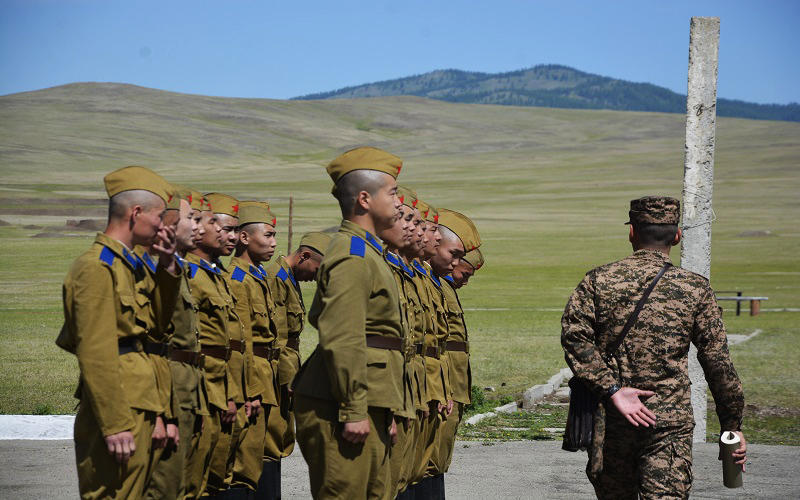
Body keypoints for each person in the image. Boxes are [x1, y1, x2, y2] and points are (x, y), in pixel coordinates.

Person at [561, 196, 746, 499]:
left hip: (612, 420)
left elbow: (575, 338)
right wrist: (732, 425)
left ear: (632, 232)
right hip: (668, 424)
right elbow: (717, 361)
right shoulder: (695, 288)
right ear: (677, 236)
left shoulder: (598, 281)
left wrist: (613, 390)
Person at [57, 166, 180, 499]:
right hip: (119, 405)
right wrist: (113, 422)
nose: (162, 226)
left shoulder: (131, 266)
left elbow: (157, 326)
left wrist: (167, 267)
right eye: (158, 217)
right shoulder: (96, 267)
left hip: (140, 397)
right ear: (136, 213)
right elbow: (95, 351)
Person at [292, 146, 404, 499]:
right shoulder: (351, 255)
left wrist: (389, 406)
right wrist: (354, 408)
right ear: (366, 199)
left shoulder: (368, 253)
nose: (399, 203)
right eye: (393, 192)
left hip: (370, 397)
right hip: (342, 403)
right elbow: (343, 335)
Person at [260, 230, 331, 499]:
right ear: (304, 256)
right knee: (271, 440)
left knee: (279, 437)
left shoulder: (289, 279)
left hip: (288, 365)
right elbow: (277, 340)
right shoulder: (277, 279)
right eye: (317, 269)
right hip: (279, 371)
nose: (317, 276)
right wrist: (291, 378)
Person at [228, 201, 280, 498]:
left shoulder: (259, 276)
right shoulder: (238, 280)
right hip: (252, 377)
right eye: (268, 235)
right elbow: (240, 342)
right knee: (244, 464)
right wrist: (248, 389)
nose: (274, 243)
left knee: (264, 456)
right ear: (245, 238)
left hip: (267, 376)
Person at [428, 209, 481, 497]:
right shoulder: (430, 282)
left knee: (436, 460)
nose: (457, 266)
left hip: (448, 381)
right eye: (456, 256)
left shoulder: (436, 283)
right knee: (426, 462)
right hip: (436, 384)